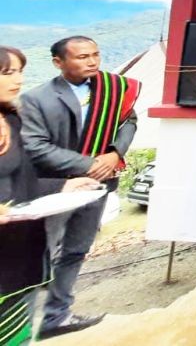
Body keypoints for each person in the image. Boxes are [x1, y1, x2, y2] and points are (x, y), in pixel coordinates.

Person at [19, 36, 139, 340]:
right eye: (82, 57)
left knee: (75, 250)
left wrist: (114, 154)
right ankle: (17, 325)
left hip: (97, 185)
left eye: (96, 55)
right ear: (59, 63)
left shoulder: (114, 90)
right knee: (39, 254)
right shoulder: (36, 99)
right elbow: (34, 146)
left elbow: (128, 122)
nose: (92, 62)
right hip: (55, 188)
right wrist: (87, 164)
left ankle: (57, 316)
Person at [1, 45, 101, 346]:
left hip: (20, 251)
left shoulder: (14, 121)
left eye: (19, 71)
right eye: (7, 73)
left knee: (17, 335)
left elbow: (24, 182)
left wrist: (63, 187)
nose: (17, 80)